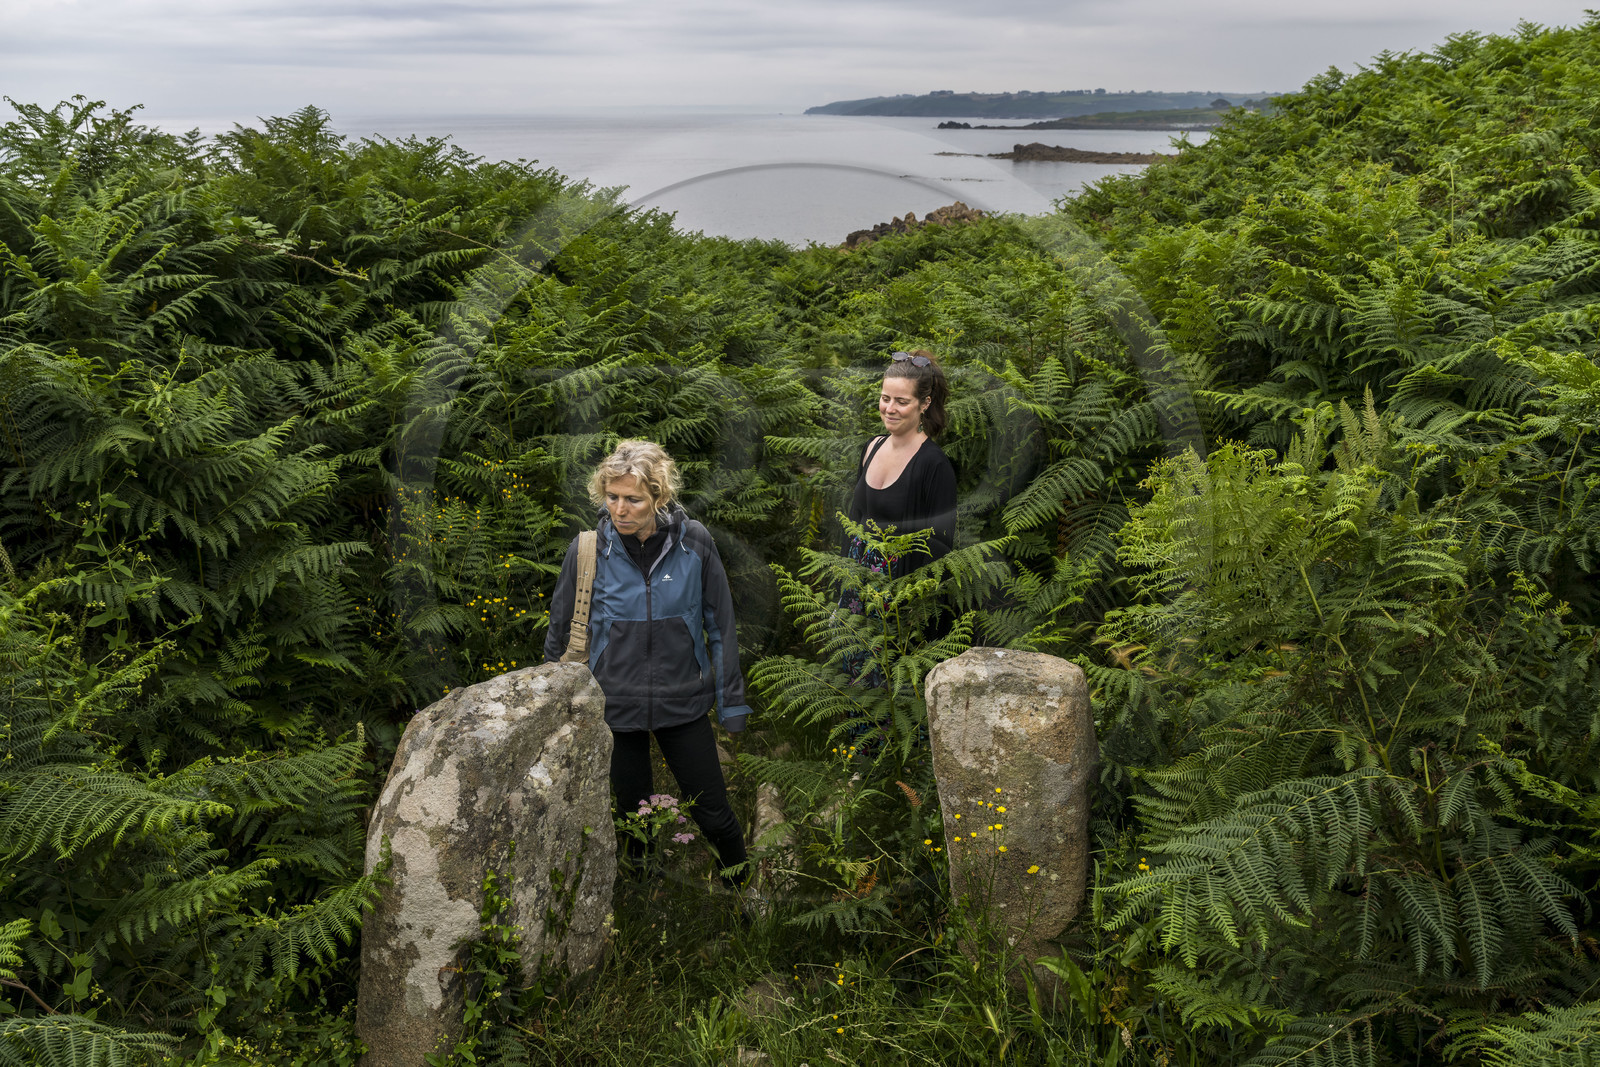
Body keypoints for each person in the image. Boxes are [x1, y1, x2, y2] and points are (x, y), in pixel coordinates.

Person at [544, 440, 750, 888]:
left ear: (659, 497)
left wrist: (731, 704)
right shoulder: (587, 550)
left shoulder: (694, 543)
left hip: (684, 703)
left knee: (714, 813)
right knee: (630, 821)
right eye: (612, 497)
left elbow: (721, 628)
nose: (620, 509)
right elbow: (559, 638)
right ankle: (638, 904)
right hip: (613, 708)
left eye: (633, 499)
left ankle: (743, 898)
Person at [838, 349, 958, 681]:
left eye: (901, 401)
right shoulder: (871, 447)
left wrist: (908, 609)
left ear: (924, 403)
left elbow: (940, 552)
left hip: (901, 601)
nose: (889, 408)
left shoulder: (934, 465)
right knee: (859, 685)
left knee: (891, 689)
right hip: (859, 591)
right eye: (885, 398)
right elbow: (854, 523)